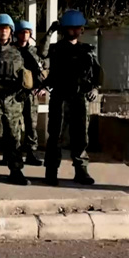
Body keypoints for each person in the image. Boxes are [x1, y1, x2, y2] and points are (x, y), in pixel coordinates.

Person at [38, 10, 102, 186]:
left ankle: (81, 170)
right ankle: (51, 171)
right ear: (66, 29)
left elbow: (97, 72)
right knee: (55, 136)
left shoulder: (87, 50)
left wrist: (95, 89)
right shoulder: (56, 49)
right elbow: (42, 54)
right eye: (73, 28)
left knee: (80, 136)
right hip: (60, 97)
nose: (77, 30)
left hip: (79, 98)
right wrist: (50, 31)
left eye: (79, 28)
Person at [0, 14, 38, 186]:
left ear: (11, 31)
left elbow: (31, 76)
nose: (3, 31)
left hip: (12, 100)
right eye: (0, 28)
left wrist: (23, 94)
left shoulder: (20, 53)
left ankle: (16, 170)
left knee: (14, 136)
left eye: (6, 28)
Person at [14, 20, 46, 166]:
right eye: (22, 32)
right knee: (12, 124)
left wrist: (41, 87)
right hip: (14, 93)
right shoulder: (11, 50)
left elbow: (40, 71)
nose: (25, 35)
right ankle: (12, 153)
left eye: (27, 32)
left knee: (31, 124)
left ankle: (31, 153)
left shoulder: (34, 52)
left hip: (31, 93)